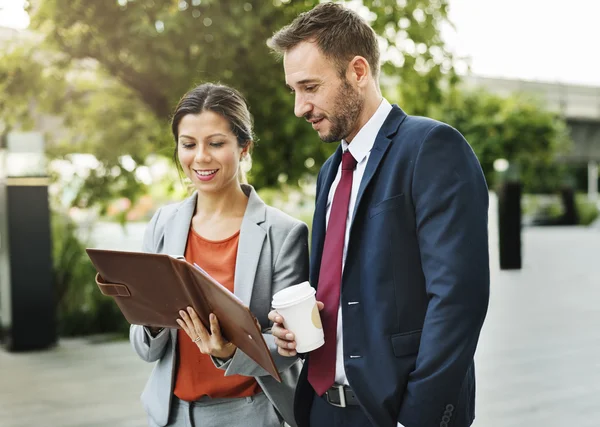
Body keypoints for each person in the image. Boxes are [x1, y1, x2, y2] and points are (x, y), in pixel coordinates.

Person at [267, 4, 490, 427]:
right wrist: (299, 328)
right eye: (293, 90)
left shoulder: (432, 148)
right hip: (321, 409)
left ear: (358, 71)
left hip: (394, 414)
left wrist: (417, 418)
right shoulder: (331, 171)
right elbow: (346, 287)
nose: (299, 107)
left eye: (310, 87)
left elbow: (459, 299)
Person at [130, 83, 308, 427]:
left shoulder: (283, 233)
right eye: (189, 145)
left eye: (216, 144)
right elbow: (144, 348)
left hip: (250, 413)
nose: (201, 157)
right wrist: (151, 320)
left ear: (244, 148)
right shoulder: (162, 224)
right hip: (171, 414)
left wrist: (230, 352)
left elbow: (292, 348)